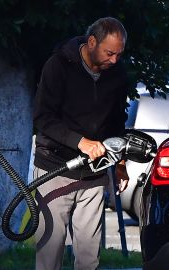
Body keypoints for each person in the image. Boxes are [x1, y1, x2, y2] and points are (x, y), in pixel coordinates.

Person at [33, 17, 130, 270]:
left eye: (119, 54)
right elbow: (43, 118)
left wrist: (120, 163)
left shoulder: (117, 74)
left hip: (94, 172)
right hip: (54, 169)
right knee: (49, 253)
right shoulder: (58, 66)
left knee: (89, 257)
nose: (114, 60)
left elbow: (118, 121)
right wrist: (81, 142)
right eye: (109, 53)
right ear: (91, 42)